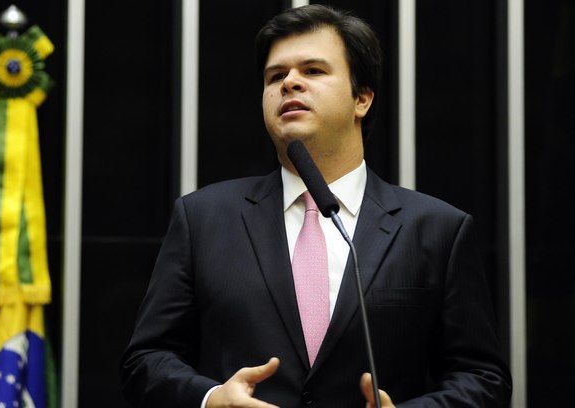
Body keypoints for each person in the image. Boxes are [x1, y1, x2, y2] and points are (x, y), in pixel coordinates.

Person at [120, 4, 512, 407]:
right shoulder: (203, 219)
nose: (289, 82)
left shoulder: (436, 229)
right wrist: (211, 399)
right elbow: (144, 361)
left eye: (312, 71)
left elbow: (482, 377)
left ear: (362, 98)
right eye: (276, 76)